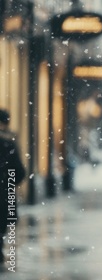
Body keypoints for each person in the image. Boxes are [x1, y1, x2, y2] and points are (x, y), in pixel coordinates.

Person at [0, 109, 26, 268]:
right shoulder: (8, 143)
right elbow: (20, 171)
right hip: (4, 195)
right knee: (2, 226)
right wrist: (8, 183)